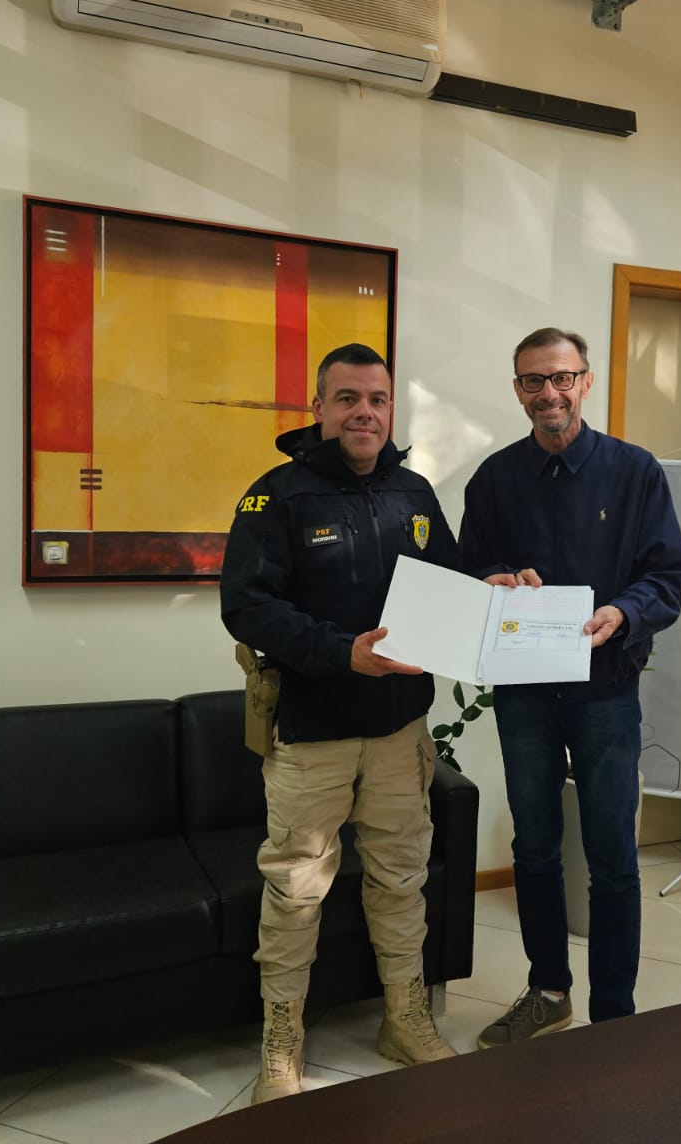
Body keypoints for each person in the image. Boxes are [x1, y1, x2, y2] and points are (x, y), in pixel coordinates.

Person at [220, 342, 460, 1102]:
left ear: (391, 410)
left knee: (401, 878)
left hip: (400, 730)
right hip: (313, 730)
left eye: (378, 399)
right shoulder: (276, 496)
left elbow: (449, 585)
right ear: (319, 407)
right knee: (296, 891)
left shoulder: (414, 492)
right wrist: (340, 653)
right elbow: (247, 607)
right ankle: (281, 1040)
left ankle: (405, 1017)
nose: (365, 412)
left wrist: (493, 593)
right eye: (348, 398)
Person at [460, 326, 681, 1044]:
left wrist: (624, 612)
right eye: (534, 380)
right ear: (518, 390)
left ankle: (614, 1016)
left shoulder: (635, 472)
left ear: (586, 381)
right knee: (534, 848)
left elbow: (668, 575)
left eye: (562, 378)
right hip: (525, 694)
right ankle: (549, 991)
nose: (549, 393)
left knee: (612, 858)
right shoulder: (494, 479)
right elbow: (470, 572)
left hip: (605, 690)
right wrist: (494, 581)